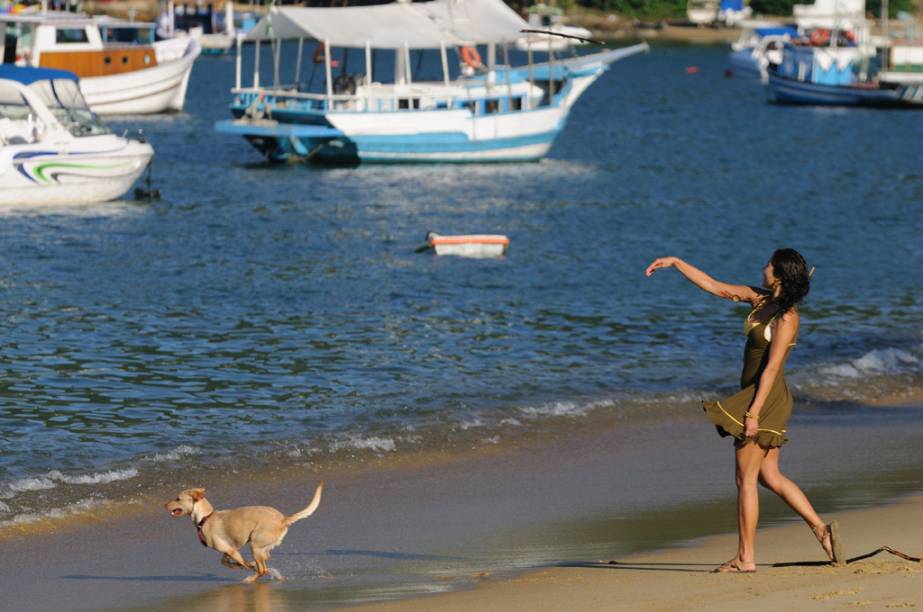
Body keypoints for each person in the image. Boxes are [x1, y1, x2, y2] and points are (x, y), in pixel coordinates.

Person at [644, 249, 843, 573]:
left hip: (764, 397)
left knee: (745, 479)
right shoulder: (759, 299)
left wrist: (752, 413)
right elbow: (712, 285)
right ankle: (822, 531)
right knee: (769, 475)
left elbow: (772, 368)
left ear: (778, 274)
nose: (762, 266)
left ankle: (745, 558)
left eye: (767, 264)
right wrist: (676, 263)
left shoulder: (787, 317)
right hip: (758, 396)